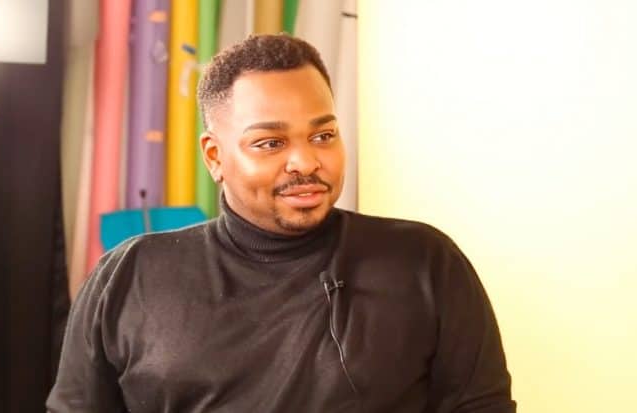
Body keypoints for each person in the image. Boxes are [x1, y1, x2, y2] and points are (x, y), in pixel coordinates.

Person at [47, 34, 516, 412]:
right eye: (270, 143)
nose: (306, 162)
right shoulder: (129, 278)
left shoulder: (424, 262)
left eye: (323, 135)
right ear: (214, 156)